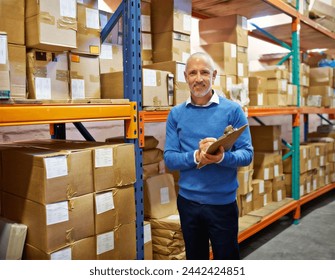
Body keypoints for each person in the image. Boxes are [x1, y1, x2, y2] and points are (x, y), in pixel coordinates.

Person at [164, 52, 253, 260]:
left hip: (222, 203)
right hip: (189, 203)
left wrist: (221, 158)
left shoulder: (233, 111)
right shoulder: (176, 114)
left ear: (214, 75)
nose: (199, 78)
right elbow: (169, 158)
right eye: (193, 73)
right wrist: (197, 156)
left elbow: (247, 154)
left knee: (227, 260)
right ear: (185, 77)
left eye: (204, 72)